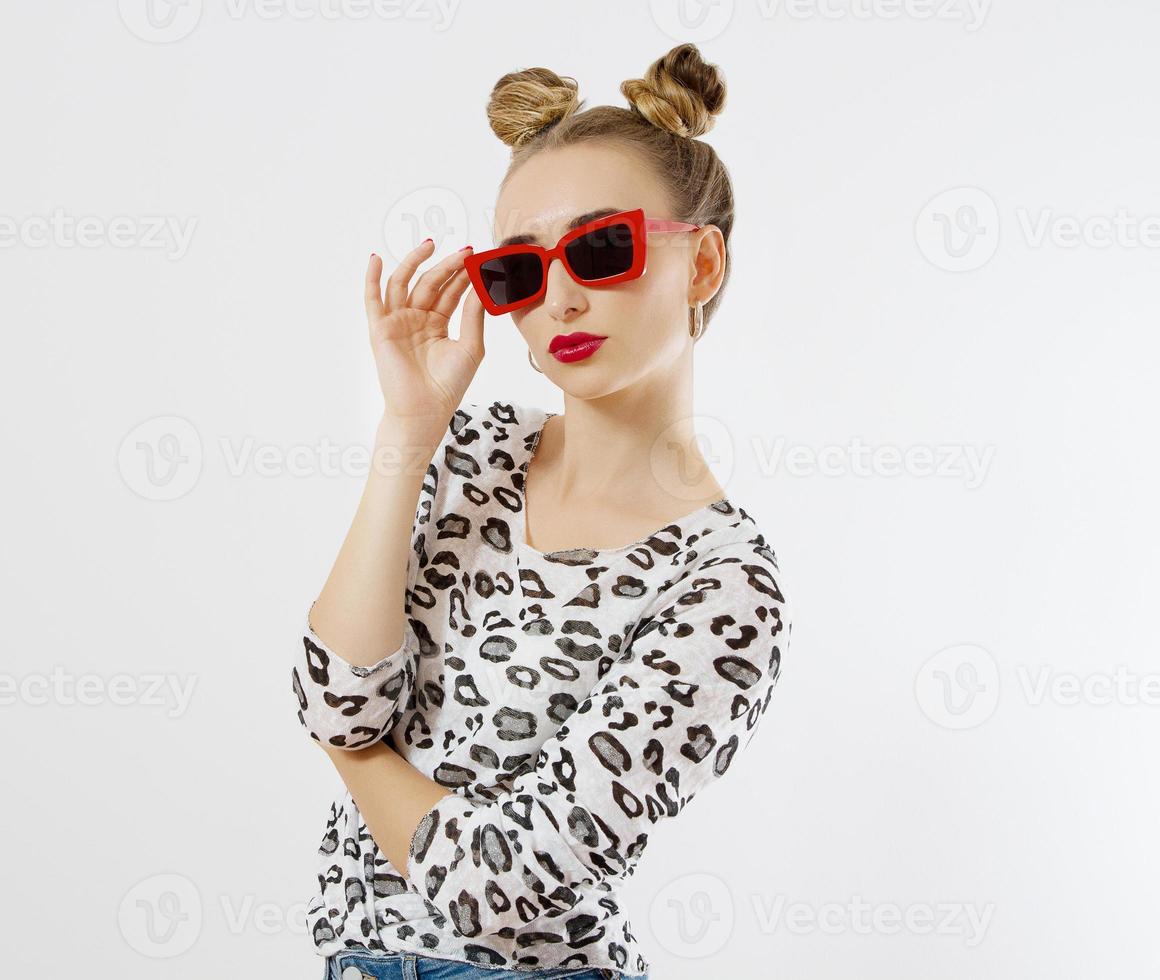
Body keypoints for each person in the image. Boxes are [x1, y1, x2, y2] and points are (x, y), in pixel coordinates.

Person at [290, 42, 792, 980]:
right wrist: (409, 428)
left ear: (704, 263)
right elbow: (338, 690)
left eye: (602, 249)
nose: (557, 296)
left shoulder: (724, 586)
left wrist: (351, 757)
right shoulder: (472, 451)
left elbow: (507, 885)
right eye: (517, 270)